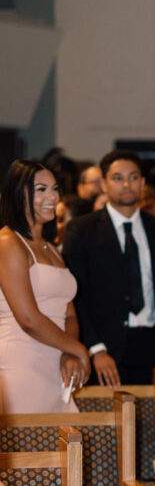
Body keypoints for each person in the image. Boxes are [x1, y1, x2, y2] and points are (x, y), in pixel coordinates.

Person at [63, 149, 155, 386]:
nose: (126, 184)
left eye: (133, 178)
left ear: (142, 182)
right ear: (103, 183)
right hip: (105, 348)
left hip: (154, 344)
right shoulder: (82, 230)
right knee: (111, 421)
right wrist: (95, 349)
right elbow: (76, 296)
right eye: (117, 178)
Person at [0, 160, 90, 412]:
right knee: (29, 448)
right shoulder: (8, 242)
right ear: (18, 193)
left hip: (57, 363)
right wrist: (79, 349)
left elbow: (69, 314)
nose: (52, 196)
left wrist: (69, 353)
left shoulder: (51, 249)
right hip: (22, 363)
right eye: (41, 189)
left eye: (54, 189)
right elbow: (27, 318)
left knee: (63, 447)